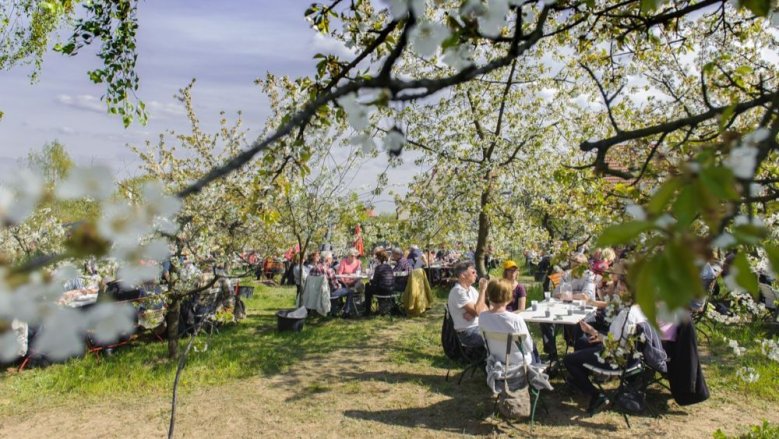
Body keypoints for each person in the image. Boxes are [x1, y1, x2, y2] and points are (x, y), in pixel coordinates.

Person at [563, 291, 648, 415]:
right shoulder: (642, 310)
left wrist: (593, 332)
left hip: (617, 360)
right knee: (582, 344)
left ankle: (595, 395)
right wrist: (597, 335)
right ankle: (579, 381)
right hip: (634, 358)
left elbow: (616, 344)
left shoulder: (626, 314)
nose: (617, 292)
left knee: (569, 360)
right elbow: (621, 339)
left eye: (620, 289)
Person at [478, 279, 534, 366]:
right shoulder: (516, 319)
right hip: (519, 363)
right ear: (509, 297)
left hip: (496, 360)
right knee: (534, 354)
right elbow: (529, 347)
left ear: (489, 295)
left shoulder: (482, 317)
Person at [447, 261, 488, 349]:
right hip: (468, 333)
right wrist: (482, 290)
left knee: (501, 332)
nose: (476, 275)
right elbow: (478, 311)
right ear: (463, 275)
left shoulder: (472, 289)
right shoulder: (458, 291)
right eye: (473, 272)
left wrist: (473, 314)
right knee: (496, 338)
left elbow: (485, 309)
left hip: (479, 327)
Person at [364, 249, 394, 316]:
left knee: (367, 286)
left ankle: (367, 310)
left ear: (378, 258)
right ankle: (381, 308)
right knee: (370, 286)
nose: (375, 259)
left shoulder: (379, 267)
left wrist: (370, 281)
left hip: (382, 290)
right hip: (390, 289)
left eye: (376, 257)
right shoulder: (389, 267)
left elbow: (375, 281)